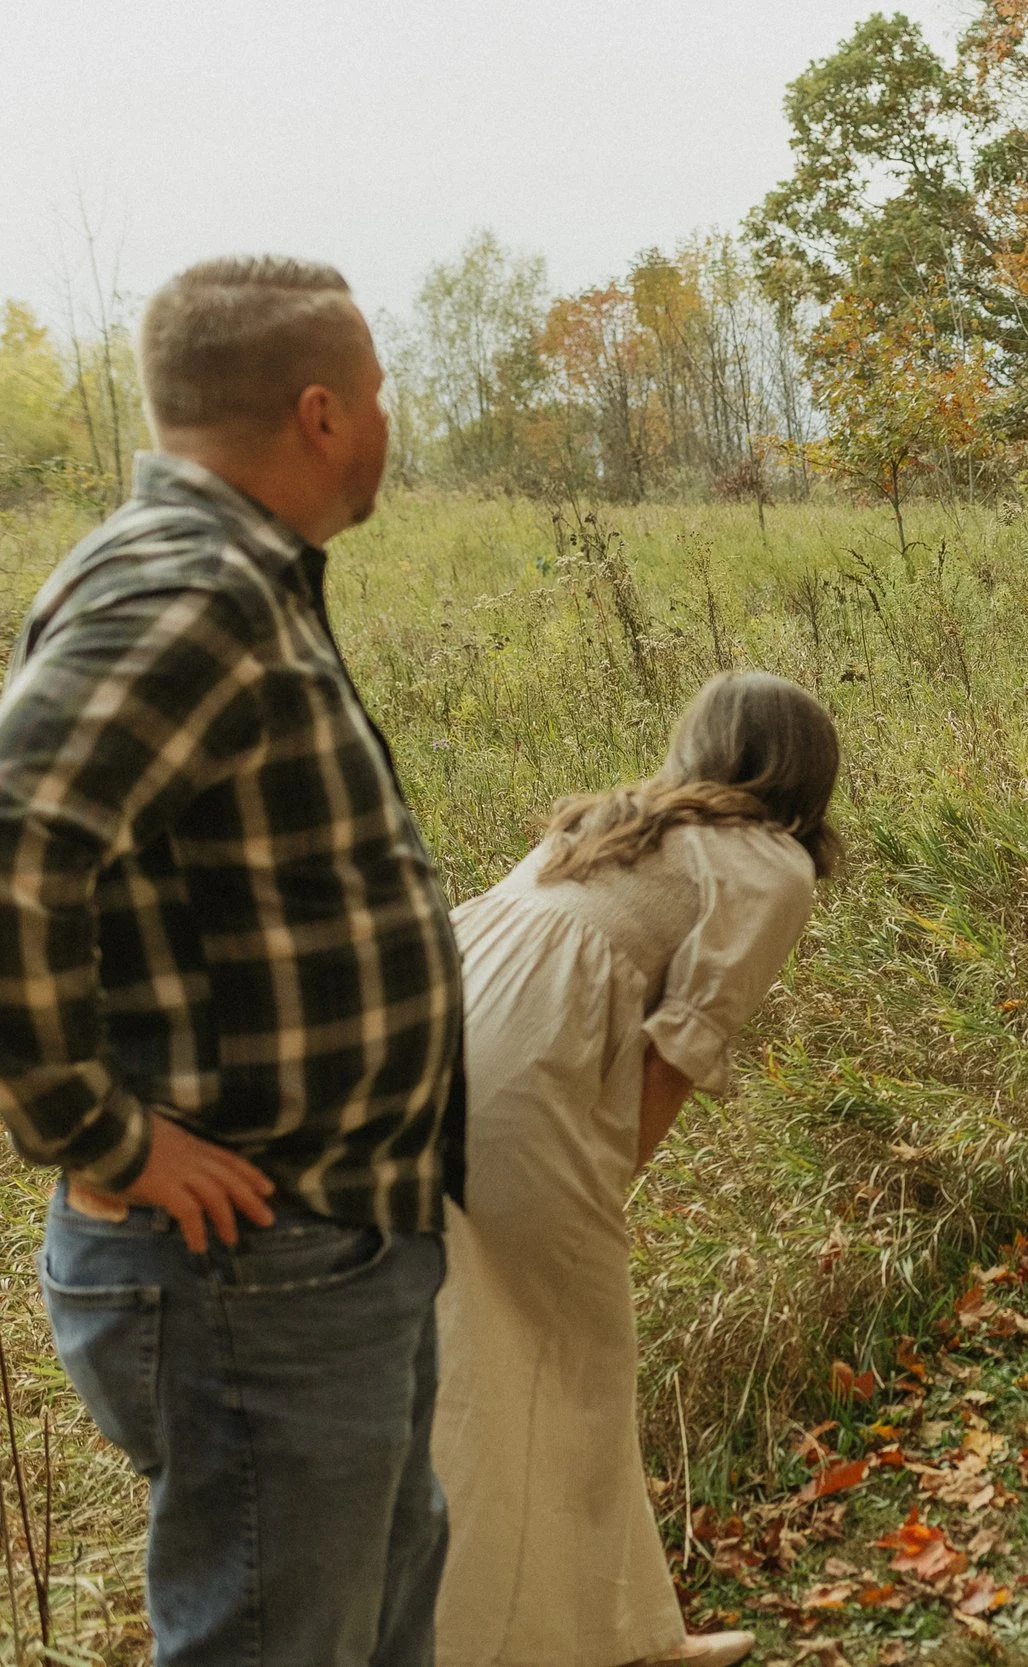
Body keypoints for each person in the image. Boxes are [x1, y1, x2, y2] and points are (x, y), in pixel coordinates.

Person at [0, 257, 465, 1663]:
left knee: (362, 1618)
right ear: (321, 411)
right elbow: (14, 835)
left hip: (317, 1250)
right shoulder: (195, 586)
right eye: (378, 392)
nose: (389, 417)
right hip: (245, 1271)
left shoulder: (235, 577)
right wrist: (102, 1135)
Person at [432, 671, 837, 1667]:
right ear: (810, 770)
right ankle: (576, 1643)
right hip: (521, 1074)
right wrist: (613, 1175)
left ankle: (603, 1632)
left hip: (421, 1042)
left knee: (468, 1356)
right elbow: (680, 1046)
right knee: (577, 1357)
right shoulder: (771, 862)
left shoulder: (613, 818)